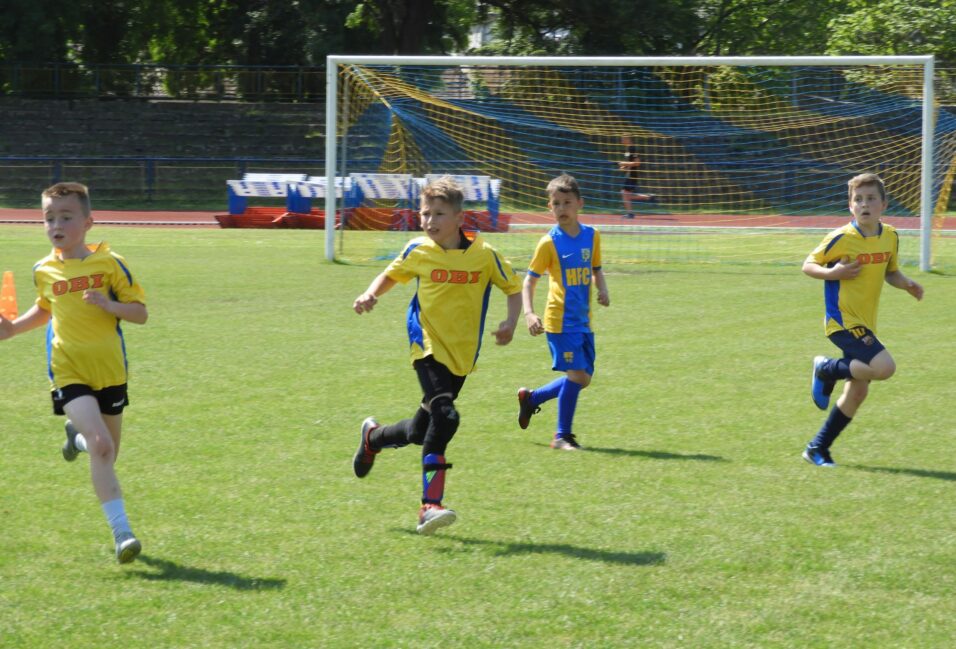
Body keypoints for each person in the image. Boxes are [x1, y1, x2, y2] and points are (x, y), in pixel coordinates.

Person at [351, 176, 522, 534]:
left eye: (439, 214)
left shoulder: (485, 256)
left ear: (461, 217)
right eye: (425, 213)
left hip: (462, 354)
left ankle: (373, 438)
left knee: (419, 430)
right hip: (426, 345)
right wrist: (371, 294)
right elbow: (390, 274)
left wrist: (510, 321)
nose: (430, 221)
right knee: (446, 417)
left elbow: (513, 287)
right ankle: (430, 505)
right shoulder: (418, 250)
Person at [0, 182, 148, 562]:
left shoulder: (110, 264)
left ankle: (76, 439)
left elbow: (140, 313)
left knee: (107, 452)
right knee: (102, 446)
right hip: (67, 368)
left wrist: (108, 305)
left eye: (65, 216)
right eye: (49, 218)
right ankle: (122, 534)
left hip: (110, 370)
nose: (55, 224)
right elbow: (46, 309)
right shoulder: (43, 269)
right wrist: (13, 328)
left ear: (88, 222)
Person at [802, 173, 924, 467]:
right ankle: (826, 369)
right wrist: (834, 274)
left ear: (883, 204)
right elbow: (808, 265)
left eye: (871, 199)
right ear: (850, 206)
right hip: (842, 322)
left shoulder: (890, 236)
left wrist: (906, 283)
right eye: (858, 199)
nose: (864, 204)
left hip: (865, 324)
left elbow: (890, 271)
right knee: (884, 367)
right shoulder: (842, 238)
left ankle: (817, 448)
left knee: (857, 391)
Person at [516, 174, 610, 450]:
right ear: (549, 208)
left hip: (583, 321)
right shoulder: (548, 243)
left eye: (566, 202)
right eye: (555, 203)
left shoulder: (592, 236)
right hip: (558, 321)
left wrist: (602, 289)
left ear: (579, 204)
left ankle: (532, 399)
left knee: (584, 379)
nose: (561, 208)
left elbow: (596, 269)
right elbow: (529, 281)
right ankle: (561, 436)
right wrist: (530, 314)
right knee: (577, 377)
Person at [618, 136, 656, 218]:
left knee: (624, 193)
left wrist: (624, 164)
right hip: (630, 174)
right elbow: (630, 162)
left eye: (623, 138)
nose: (621, 140)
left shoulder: (633, 149)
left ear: (628, 139)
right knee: (625, 194)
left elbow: (637, 163)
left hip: (632, 175)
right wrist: (624, 166)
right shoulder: (628, 150)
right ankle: (648, 197)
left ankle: (630, 213)